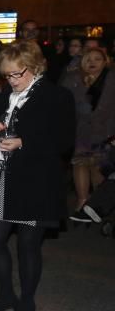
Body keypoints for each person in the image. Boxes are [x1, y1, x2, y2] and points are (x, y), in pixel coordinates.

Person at [0, 41, 75, 311]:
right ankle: (6, 294)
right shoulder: (7, 97)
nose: (10, 80)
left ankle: (27, 301)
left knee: (28, 244)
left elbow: (64, 141)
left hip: (37, 181)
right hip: (4, 177)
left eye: (15, 74)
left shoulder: (56, 96)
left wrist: (24, 142)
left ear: (33, 68)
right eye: (5, 75)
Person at [65, 47, 115, 211]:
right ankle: (82, 200)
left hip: (105, 130)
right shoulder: (74, 79)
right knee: (80, 163)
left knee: (98, 165)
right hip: (81, 130)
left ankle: (97, 204)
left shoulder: (111, 78)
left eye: (97, 59)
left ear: (105, 61)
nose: (92, 62)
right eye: (89, 59)